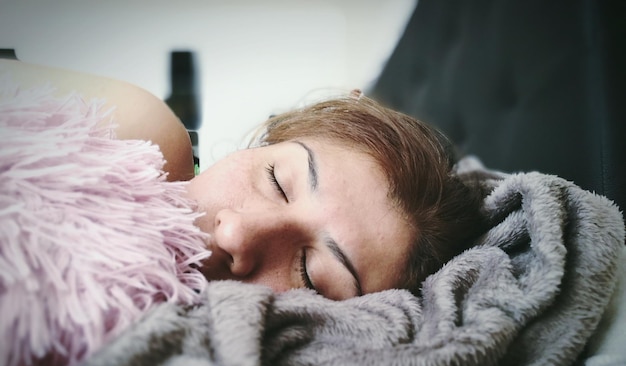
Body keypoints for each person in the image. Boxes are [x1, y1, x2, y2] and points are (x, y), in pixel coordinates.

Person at [1, 59, 483, 300]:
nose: (236, 233)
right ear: (270, 140)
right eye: (276, 181)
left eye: (313, 277)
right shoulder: (141, 133)